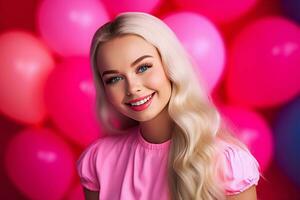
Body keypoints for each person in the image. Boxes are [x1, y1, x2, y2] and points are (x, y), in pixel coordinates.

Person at [77, 12, 260, 200]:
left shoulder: (226, 164)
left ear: (170, 65)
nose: (132, 88)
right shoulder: (99, 160)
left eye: (143, 67)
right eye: (114, 79)